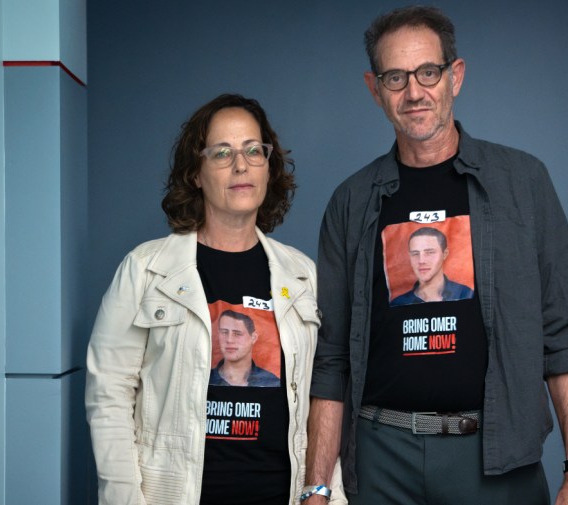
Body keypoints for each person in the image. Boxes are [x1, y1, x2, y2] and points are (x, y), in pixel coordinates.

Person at [305, 6, 568, 505]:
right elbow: (331, 359)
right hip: (381, 462)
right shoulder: (351, 202)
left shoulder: (523, 183)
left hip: (497, 458)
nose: (414, 91)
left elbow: (559, 337)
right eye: (395, 77)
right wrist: (317, 486)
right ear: (374, 89)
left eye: (428, 72)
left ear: (454, 77)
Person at [86, 94, 345, 505]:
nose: (240, 165)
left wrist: (322, 493)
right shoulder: (145, 270)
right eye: (222, 153)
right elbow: (109, 396)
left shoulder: (302, 277)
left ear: (268, 165)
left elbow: (322, 397)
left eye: (253, 151)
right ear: (195, 173)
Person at [390, 226, 473, 306]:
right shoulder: (399, 303)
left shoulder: (464, 294)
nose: (421, 261)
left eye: (430, 252)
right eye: (415, 254)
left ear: (444, 254)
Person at [210, 309, 280, 387]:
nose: (229, 340)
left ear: (253, 337)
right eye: (224, 332)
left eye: (237, 334)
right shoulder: (204, 379)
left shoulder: (272, 383)